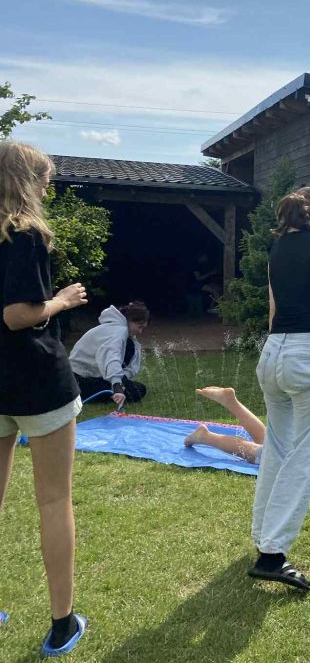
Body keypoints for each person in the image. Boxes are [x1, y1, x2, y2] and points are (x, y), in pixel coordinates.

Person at [0, 141, 89, 656]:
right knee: (54, 500)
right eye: (45, 181)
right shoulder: (26, 233)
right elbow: (19, 314)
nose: (47, 190)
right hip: (37, 382)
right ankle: (62, 624)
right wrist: (62, 300)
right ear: (26, 180)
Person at [249, 184, 310, 592]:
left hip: (273, 353)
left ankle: (263, 537)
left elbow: (274, 311)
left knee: (277, 448)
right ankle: (272, 554)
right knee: (308, 454)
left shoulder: (276, 250)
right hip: (308, 356)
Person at [70, 301, 150, 408]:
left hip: (84, 377)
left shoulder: (119, 331)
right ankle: (82, 394)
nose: (140, 332)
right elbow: (112, 358)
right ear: (129, 320)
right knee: (137, 390)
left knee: (138, 388)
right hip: (79, 379)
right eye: (139, 327)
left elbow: (125, 364)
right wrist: (117, 386)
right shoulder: (118, 332)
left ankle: (109, 388)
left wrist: (121, 380)